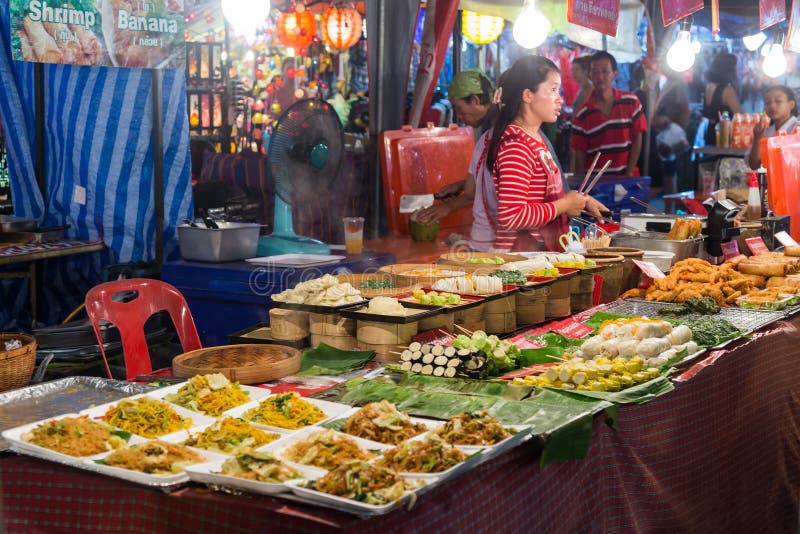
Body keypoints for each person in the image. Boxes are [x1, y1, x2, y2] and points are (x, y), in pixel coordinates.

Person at [486, 56, 607, 252]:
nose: (560, 99)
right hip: (522, 263)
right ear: (528, 95)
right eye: (552, 90)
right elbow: (511, 216)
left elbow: (539, 199)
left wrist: (581, 201)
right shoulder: (517, 146)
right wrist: (564, 204)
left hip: (540, 257)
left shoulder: (534, 138)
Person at [414, 69, 495, 224]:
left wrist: (450, 206)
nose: (459, 116)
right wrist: (462, 185)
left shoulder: (497, 129)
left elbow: (493, 187)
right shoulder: (491, 124)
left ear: (475, 100)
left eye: (459, 108)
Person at [571, 51, 647, 176]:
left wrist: (629, 172)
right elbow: (579, 156)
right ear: (590, 75)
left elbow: (637, 137)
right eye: (595, 72)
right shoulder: (581, 115)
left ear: (615, 74)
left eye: (605, 72)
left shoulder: (631, 102)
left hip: (626, 179)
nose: (600, 77)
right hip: (595, 184)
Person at [747, 85, 798, 170]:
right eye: (767, 102)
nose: (772, 106)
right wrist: (757, 139)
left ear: (791, 105)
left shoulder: (797, 129)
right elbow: (754, 165)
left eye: (778, 101)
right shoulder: (766, 132)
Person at [702, 52, 742, 146]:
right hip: (724, 138)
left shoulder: (709, 87)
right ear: (729, 70)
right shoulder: (728, 91)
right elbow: (740, 116)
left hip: (711, 134)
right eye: (736, 67)